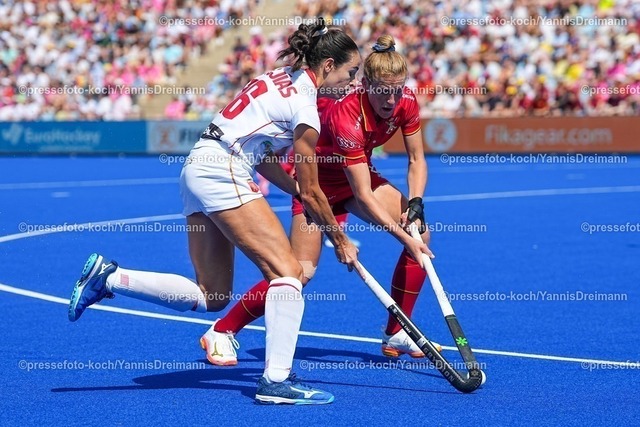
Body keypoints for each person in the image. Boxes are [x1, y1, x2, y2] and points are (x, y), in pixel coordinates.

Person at [67, 20, 361, 405]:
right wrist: (340, 239)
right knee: (288, 273)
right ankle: (276, 381)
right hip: (223, 169)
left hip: (196, 167)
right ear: (328, 65)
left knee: (213, 294)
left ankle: (111, 278)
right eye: (351, 73)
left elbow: (265, 156)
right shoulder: (307, 107)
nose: (353, 82)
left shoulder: (276, 77)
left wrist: (296, 192)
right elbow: (312, 189)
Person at [204, 34, 440, 366]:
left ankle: (396, 331)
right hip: (317, 187)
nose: (391, 99)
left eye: (397, 90)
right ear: (366, 85)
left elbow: (416, 159)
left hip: (356, 176)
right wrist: (403, 237)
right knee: (297, 274)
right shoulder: (348, 115)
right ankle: (222, 329)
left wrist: (416, 201)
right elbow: (364, 196)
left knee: (421, 234)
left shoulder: (406, 102)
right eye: (383, 91)